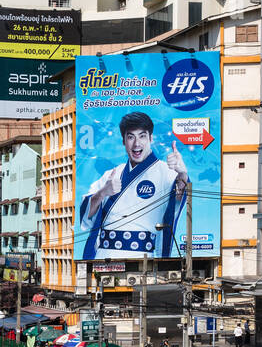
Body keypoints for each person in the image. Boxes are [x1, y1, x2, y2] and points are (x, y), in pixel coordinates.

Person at [78, 110, 189, 259]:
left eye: (142, 136)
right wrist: (103, 192)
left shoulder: (167, 172)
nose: (137, 143)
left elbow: (180, 197)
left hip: (144, 258)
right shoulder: (111, 174)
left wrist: (182, 173)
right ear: (124, 141)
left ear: (151, 138)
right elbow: (86, 214)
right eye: (131, 137)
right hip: (105, 256)